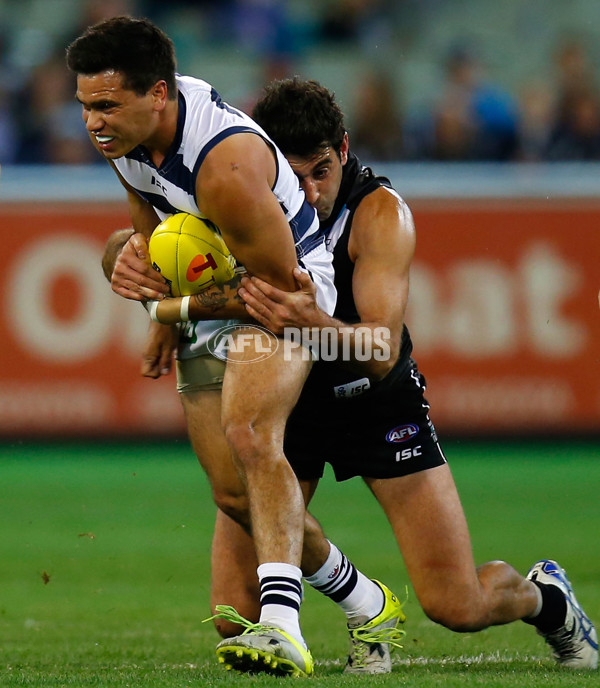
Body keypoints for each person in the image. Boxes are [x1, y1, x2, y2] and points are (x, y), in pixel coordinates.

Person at [151, 78, 597, 672]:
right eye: (292, 175)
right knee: (234, 612)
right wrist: (152, 291)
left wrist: (313, 318)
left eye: (321, 171)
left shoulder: (381, 215)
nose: (308, 193)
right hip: (290, 399)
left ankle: (546, 599)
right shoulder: (237, 190)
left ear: (345, 148)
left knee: (457, 604)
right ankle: (366, 605)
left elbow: (382, 349)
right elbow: (148, 245)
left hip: (374, 400)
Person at [66, 17, 405, 678]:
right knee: (232, 495)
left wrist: (171, 307)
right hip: (219, 282)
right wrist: (160, 303)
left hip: (289, 291)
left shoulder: (223, 167)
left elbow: (277, 288)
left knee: (251, 432)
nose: (93, 123)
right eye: (84, 107)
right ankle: (367, 601)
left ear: (158, 94)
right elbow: (149, 212)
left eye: (105, 105)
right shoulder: (124, 132)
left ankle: (281, 626)